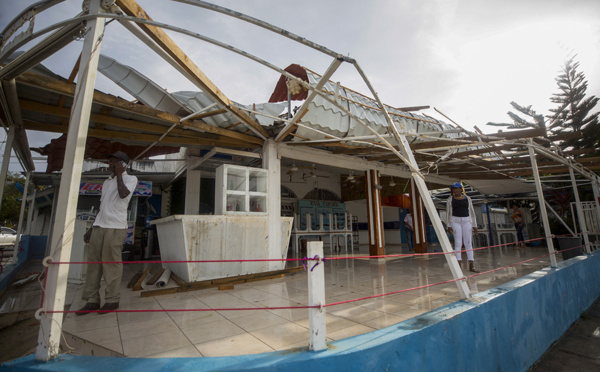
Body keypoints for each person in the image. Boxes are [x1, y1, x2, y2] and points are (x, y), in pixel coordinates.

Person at [77, 151, 138, 315]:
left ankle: (112, 300)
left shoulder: (130, 179)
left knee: (111, 265)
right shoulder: (106, 182)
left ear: (124, 164)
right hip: (99, 226)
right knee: (94, 264)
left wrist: (119, 175)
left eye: (115, 162)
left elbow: (124, 194)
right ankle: (92, 300)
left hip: (115, 227)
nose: (110, 164)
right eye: (110, 161)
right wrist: (91, 228)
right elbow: (101, 206)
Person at [446, 182, 479, 273]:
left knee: (468, 242)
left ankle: (471, 265)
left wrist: (474, 225)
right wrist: (448, 225)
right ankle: (458, 266)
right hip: (455, 221)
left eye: (457, 188)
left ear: (461, 189)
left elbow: (472, 212)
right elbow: (448, 213)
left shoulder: (467, 198)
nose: (456, 190)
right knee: (458, 243)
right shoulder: (450, 199)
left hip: (467, 221)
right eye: (454, 188)